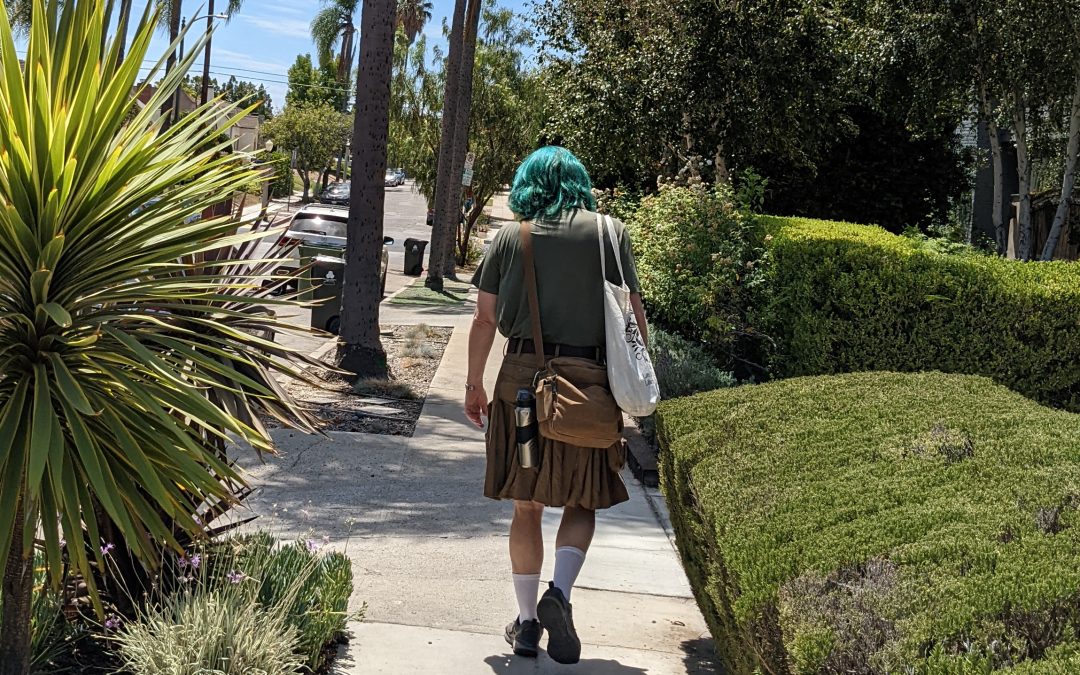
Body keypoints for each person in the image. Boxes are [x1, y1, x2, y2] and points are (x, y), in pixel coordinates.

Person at [465, 146, 648, 664]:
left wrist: (474, 383)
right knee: (581, 499)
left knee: (527, 504)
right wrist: (639, 383)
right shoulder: (610, 234)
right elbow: (632, 316)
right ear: (580, 182)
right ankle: (559, 595)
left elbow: (483, 319)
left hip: (522, 390)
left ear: (527, 184)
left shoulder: (509, 236)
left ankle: (526, 626)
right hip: (590, 392)